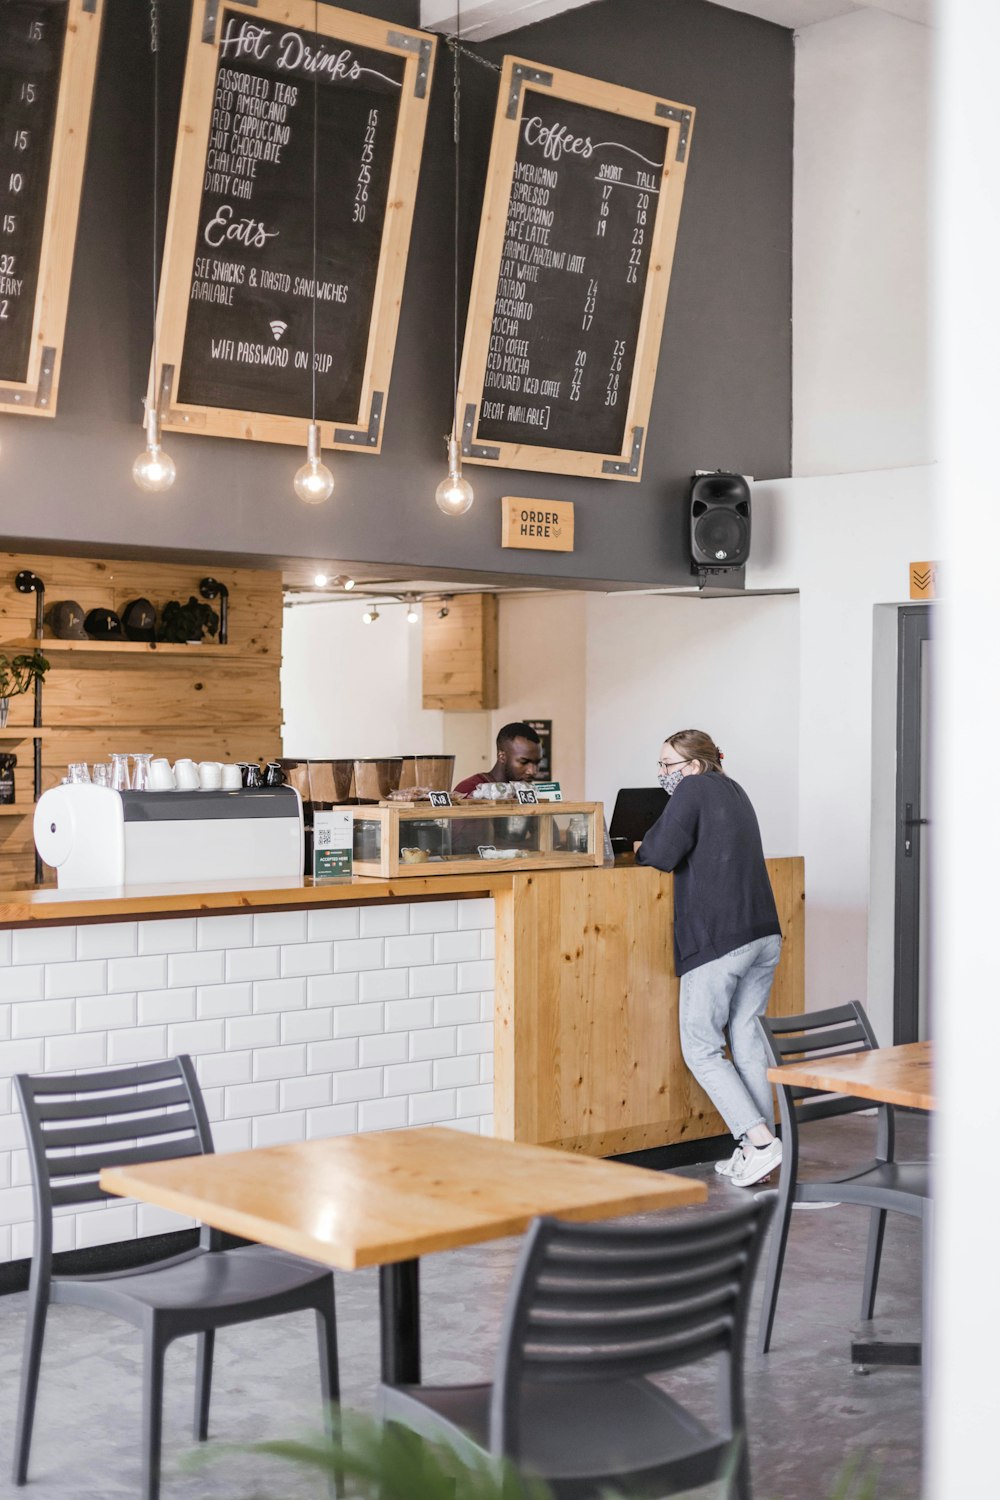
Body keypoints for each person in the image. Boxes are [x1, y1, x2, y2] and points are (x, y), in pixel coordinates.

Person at [636, 729, 784, 1188]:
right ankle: (764, 1149)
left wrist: (641, 847)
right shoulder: (734, 789)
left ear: (695, 766)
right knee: (745, 1038)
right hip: (763, 933)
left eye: (668, 766)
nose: (663, 775)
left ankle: (759, 1142)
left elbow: (659, 854)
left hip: (720, 939)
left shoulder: (694, 788)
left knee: (700, 1046)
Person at [454, 722, 542, 795]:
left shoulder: (529, 793)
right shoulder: (469, 790)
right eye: (524, 762)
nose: (533, 771)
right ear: (502, 756)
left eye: (537, 763)